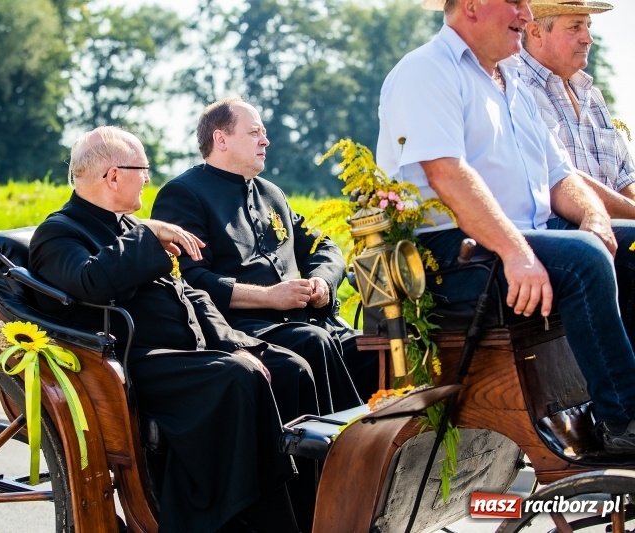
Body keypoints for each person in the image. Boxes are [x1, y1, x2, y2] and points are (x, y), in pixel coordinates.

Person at [376, 0, 635, 455]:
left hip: (518, 238)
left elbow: (560, 176)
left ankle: (617, 397)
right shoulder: (425, 71)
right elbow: (448, 175)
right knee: (585, 259)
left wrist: (595, 218)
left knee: (627, 243)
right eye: (516, 2)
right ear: (473, 5)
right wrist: (516, 252)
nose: (527, 12)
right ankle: (623, 420)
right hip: (457, 256)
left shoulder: (511, 78)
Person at [29, 126, 312, 533]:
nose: (148, 177)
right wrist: (150, 232)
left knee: (287, 366)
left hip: (183, 354)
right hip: (130, 363)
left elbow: (190, 296)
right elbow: (90, 281)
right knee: (239, 378)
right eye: (142, 169)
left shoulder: (127, 227)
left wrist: (238, 344)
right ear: (113, 176)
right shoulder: (59, 232)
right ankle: (245, 519)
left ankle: (304, 508)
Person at [151, 97, 376, 409]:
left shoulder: (271, 193)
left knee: (376, 349)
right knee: (314, 342)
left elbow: (323, 246)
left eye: (264, 132)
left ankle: (398, 449)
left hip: (304, 321)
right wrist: (270, 296)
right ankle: (343, 450)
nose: (265, 140)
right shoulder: (184, 194)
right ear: (221, 139)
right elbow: (192, 281)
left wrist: (322, 282)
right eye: (254, 132)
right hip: (245, 328)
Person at [512, 0, 635, 219]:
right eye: (575, 27)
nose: (588, 38)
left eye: (588, 25)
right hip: (561, 228)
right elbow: (560, 176)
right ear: (536, 32)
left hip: (609, 224)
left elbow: (625, 179)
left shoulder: (592, 95)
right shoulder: (517, 87)